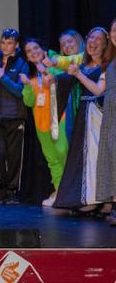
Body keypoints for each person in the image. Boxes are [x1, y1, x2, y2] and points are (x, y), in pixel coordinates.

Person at [54, 27, 109, 212]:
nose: (93, 42)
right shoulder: (84, 66)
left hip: (99, 115)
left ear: (105, 44)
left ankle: (101, 199)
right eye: (91, 38)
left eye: (98, 39)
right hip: (84, 114)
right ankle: (86, 198)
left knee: (96, 156)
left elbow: (98, 90)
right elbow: (64, 78)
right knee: (83, 156)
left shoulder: (107, 66)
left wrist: (78, 74)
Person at [0, 28, 29, 205]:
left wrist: (3, 77)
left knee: (14, 156)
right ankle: (0, 189)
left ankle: (12, 190)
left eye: (9, 43)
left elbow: (20, 91)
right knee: (0, 154)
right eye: (3, 42)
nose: (5, 46)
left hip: (15, 116)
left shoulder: (22, 63)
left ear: (16, 45)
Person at [20, 39, 69, 207]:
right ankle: (60, 192)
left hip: (59, 120)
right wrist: (27, 85)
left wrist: (49, 72)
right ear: (27, 57)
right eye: (29, 51)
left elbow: (64, 85)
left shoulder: (55, 68)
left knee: (63, 152)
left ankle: (70, 190)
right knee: (52, 160)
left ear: (43, 50)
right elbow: (29, 102)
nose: (33, 52)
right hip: (41, 125)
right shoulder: (32, 78)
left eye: (36, 48)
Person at [98, 18, 116, 225]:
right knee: (111, 158)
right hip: (111, 112)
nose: (115, 34)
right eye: (113, 30)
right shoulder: (111, 60)